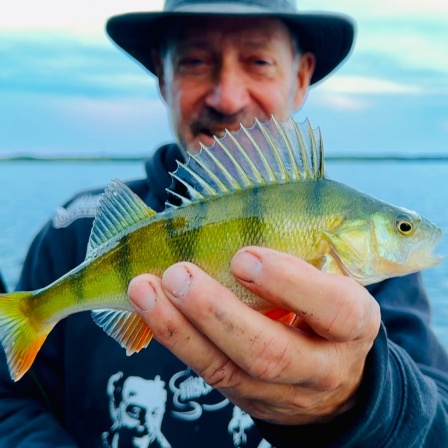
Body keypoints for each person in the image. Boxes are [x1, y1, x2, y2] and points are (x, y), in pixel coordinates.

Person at [0, 0, 447, 447]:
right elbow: (9, 404)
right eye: (195, 61)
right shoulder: (69, 233)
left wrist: (359, 401)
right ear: (162, 75)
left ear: (302, 76)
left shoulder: (382, 283)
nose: (227, 97)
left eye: (258, 62)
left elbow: (438, 422)